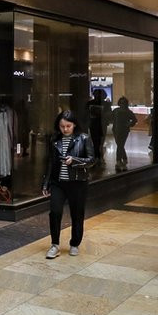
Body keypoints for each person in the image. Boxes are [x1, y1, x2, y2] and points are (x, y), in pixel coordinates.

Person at [42, 110, 95, 259]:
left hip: (77, 183)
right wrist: (46, 183)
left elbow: (91, 160)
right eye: (62, 126)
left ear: (74, 125)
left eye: (68, 126)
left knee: (77, 214)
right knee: (55, 212)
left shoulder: (84, 138)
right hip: (58, 183)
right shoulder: (55, 140)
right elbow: (50, 163)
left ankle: (74, 244)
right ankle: (55, 245)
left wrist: (75, 161)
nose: (65, 129)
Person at [110, 96, 138, 170]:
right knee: (120, 145)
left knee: (120, 145)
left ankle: (119, 160)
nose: (122, 104)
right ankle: (124, 159)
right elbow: (110, 118)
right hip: (116, 130)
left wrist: (129, 124)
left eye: (124, 103)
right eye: (121, 102)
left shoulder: (128, 111)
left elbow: (135, 120)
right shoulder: (116, 110)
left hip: (124, 130)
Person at [86, 89, 112, 163]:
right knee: (96, 141)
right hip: (94, 124)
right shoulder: (91, 103)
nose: (98, 96)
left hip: (100, 124)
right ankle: (98, 157)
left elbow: (109, 114)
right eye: (97, 94)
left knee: (100, 142)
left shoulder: (91, 103)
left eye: (99, 94)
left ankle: (98, 156)